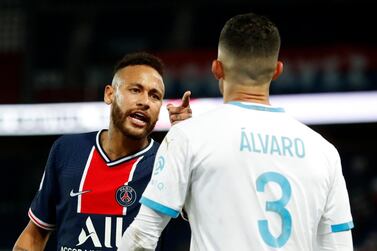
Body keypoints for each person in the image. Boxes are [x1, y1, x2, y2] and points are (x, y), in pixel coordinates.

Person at [118, 13, 354, 251]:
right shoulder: (324, 152)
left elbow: (142, 237)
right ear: (277, 70)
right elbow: (339, 247)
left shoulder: (189, 137)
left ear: (216, 68)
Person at [13, 52, 192, 251]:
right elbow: (34, 235)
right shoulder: (67, 151)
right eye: (135, 90)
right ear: (109, 94)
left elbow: (209, 215)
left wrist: (190, 143)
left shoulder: (166, 160)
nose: (145, 102)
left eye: (155, 96)